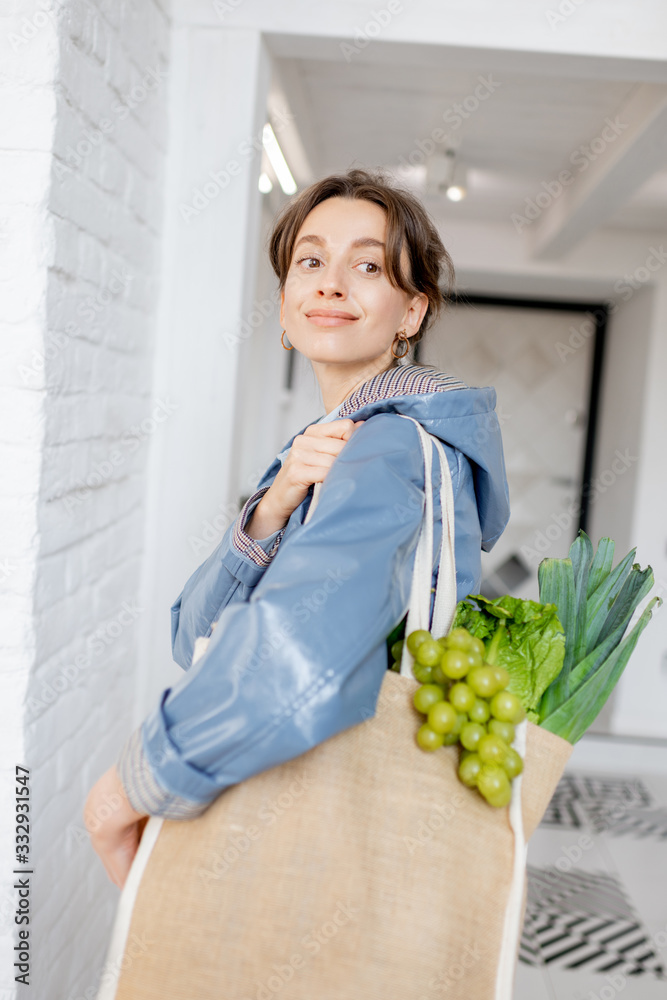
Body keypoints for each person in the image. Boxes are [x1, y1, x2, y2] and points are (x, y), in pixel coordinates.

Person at [83, 167, 510, 889]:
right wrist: (270, 509)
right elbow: (195, 635)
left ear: (411, 312)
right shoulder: (321, 451)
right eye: (310, 261)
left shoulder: (389, 447)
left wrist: (136, 785)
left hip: (318, 832)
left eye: (368, 265)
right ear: (283, 305)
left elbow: (295, 648)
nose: (331, 283)